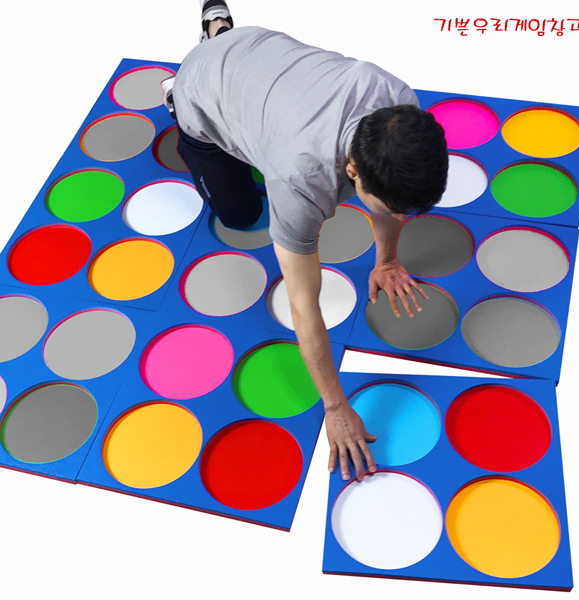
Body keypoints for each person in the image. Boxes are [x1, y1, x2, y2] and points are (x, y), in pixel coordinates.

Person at [164, 0, 448, 482]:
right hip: (204, 90)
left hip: (257, 48)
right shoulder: (300, 181)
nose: (400, 219)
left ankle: (219, 33)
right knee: (241, 215)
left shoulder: (399, 105)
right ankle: (177, 91)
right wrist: (335, 406)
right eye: (389, 208)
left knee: (280, 151)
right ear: (352, 170)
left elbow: (390, 203)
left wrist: (387, 261)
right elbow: (303, 304)